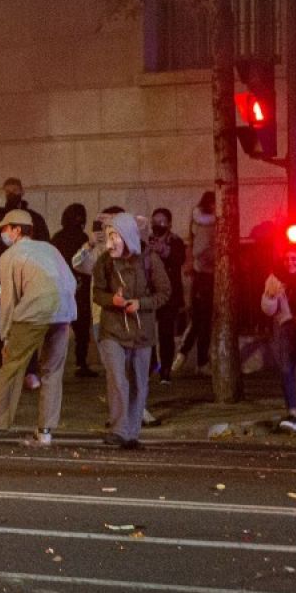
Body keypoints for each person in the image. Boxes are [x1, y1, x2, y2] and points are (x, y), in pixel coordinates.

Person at [0, 210, 77, 445]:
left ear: (16, 230)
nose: (2, 233)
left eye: (5, 228)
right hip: (64, 310)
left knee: (12, 366)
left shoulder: (10, 256)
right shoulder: (49, 248)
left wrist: (5, 334)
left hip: (33, 312)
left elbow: (9, 300)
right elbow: (71, 280)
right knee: (53, 371)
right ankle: (45, 431)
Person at [92, 213, 170, 449]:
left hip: (141, 331)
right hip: (112, 329)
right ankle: (118, 429)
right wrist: (111, 300)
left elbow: (164, 292)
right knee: (117, 378)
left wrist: (141, 304)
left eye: (115, 235)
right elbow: (97, 292)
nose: (111, 241)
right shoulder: (104, 261)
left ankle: (131, 433)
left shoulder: (150, 260)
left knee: (138, 382)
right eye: (109, 236)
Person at [260, 246, 296, 433]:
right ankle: (292, 413)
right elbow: (268, 309)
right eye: (287, 259)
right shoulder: (275, 279)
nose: (290, 262)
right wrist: (270, 296)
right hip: (287, 325)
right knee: (286, 368)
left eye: (294, 258)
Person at [173, 191, 216, 377]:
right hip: (205, 275)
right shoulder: (210, 224)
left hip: (200, 274)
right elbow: (202, 250)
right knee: (201, 319)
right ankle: (192, 357)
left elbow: (193, 246)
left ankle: (189, 356)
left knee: (201, 319)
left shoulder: (197, 222)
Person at [50, 203, 95, 377]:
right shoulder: (80, 237)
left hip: (67, 287)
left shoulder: (58, 237)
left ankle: (60, 362)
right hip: (77, 287)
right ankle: (80, 363)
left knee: (63, 327)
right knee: (80, 329)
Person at [145, 208, 187, 383]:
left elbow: (179, 259)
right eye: (155, 222)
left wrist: (163, 250)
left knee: (166, 332)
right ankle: (151, 364)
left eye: (161, 222)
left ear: (169, 224)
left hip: (169, 294)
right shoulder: (147, 241)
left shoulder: (175, 241)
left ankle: (166, 369)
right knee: (148, 331)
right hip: (150, 292)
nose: (157, 226)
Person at [0, 177, 51, 243]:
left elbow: (44, 240)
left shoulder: (35, 217)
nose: (11, 194)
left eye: (15, 190)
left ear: (22, 192)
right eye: (8, 191)